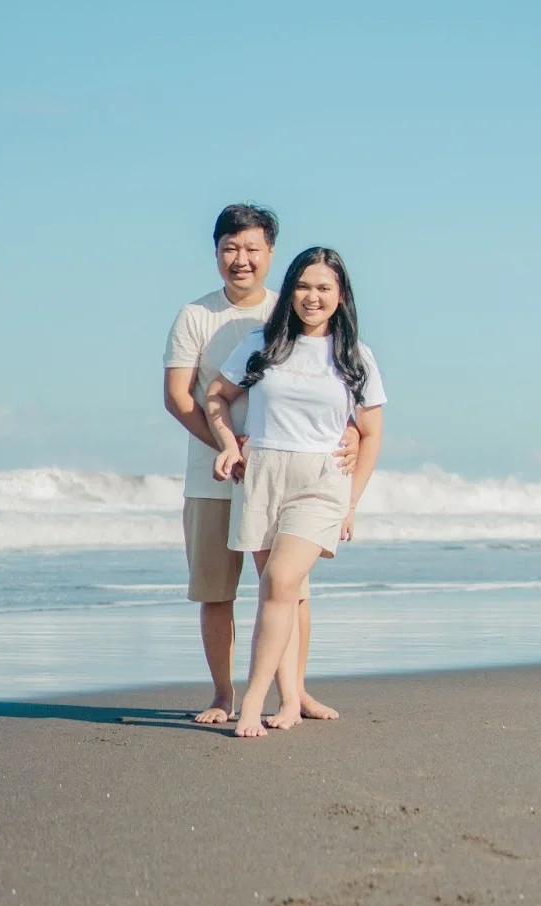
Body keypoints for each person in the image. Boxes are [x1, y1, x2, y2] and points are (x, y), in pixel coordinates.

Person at [162, 204, 358, 726]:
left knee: (287, 590)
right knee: (215, 589)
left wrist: (355, 438)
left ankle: (295, 694)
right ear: (216, 253)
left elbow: (341, 392)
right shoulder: (195, 315)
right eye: (230, 248)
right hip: (214, 474)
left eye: (252, 249)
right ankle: (224, 694)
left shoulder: (293, 310)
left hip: (284, 477)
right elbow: (180, 397)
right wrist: (228, 449)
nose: (241, 260)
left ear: (272, 254)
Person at [205, 246, 385, 738]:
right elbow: (216, 396)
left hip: (321, 482)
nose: (312, 296)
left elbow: (371, 432)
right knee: (276, 593)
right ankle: (289, 701)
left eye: (324, 287)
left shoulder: (355, 356)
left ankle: (254, 702)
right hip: (262, 473)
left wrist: (351, 504)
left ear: (340, 295)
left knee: (282, 583)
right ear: (291, 291)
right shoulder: (263, 343)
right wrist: (228, 443)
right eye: (304, 286)